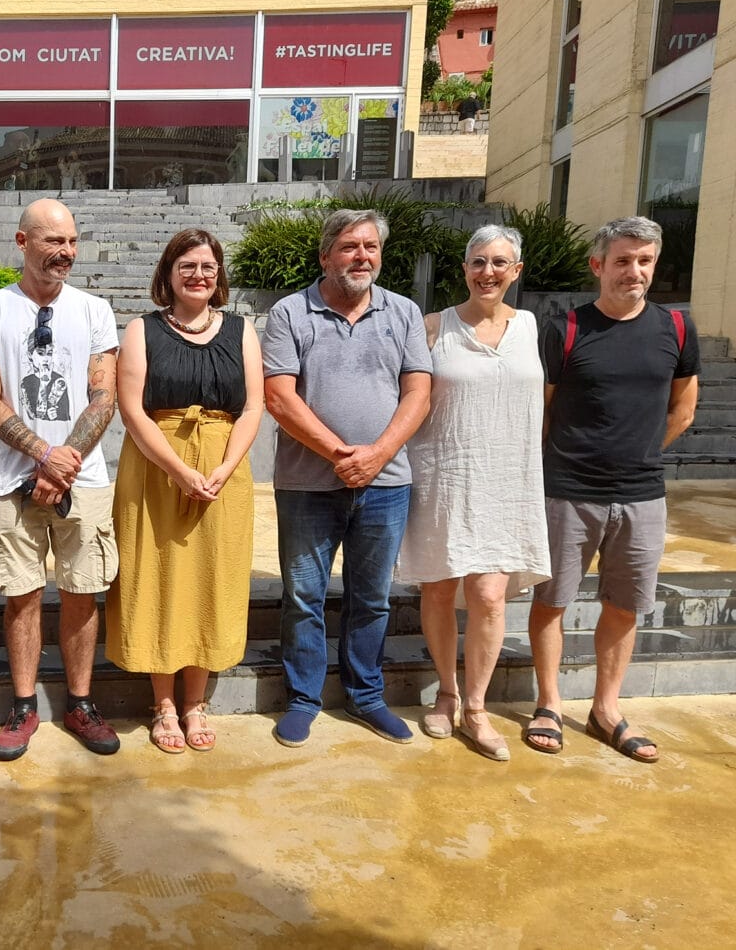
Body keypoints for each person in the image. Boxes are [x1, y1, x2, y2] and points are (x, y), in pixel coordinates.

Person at [523, 216, 699, 763]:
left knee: (625, 607)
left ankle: (606, 710)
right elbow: (541, 413)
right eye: (623, 260)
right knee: (552, 601)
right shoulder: (565, 329)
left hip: (642, 496)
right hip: (568, 492)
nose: (634, 271)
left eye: (645, 261)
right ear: (598, 265)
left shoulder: (676, 328)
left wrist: (639, 452)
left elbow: (684, 410)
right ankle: (549, 703)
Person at [262, 209, 432, 747]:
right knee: (304, 596)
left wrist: (377, 455)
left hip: (386, 483)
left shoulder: (403, 312)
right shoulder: (291, 312)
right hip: (307, 485)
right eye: (349, 247)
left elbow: (419, 393)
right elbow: (278, 397)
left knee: (372, 597)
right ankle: (303, 699)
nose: (362, 256)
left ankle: (366, 695)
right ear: (325, 256)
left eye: (371, 247)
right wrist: (341, 454)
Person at [0, 198, 121, 761]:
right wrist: (42, 455)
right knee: (22, 596)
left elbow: (104, 396)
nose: (66, 252)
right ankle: (24, 705)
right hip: (13, 480)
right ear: (22, 241)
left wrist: (63, 462)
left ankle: (80, 703)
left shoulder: (95, 310)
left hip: (85, 477)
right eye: (54, 241)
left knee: (82, 594)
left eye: (72, 241)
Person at [105, 229, 264, 753]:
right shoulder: (142, 330)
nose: (199, 275)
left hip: (222, 472)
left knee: (211, 578)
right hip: (156, 469)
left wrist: (224, 468)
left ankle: (195, 702)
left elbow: (253, 407)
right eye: (187, 266)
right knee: (158, 576)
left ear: (219, 275)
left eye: (208, 267)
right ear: (168, 274)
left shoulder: (241, 330)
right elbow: (132, 409)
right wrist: (177, 469)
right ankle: (164, 705)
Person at [397, 225, 551, 762]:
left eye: (499, 262)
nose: (488, 272)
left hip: (506, 483)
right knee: (439, 590)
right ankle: (447, 692)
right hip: (445, 478)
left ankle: (477, 708)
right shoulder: (432, 327)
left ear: (516, 271)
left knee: (488, 596)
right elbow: (408, 397)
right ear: (464, 269)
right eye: (478, 261)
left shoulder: (532, 327)